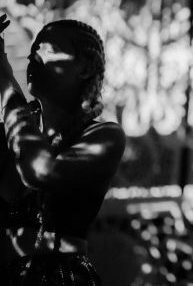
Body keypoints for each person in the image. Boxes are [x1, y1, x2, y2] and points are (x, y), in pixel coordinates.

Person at [0, 17, 126, 285]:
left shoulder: (105, 136)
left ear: (85, 68)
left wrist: (5, 81)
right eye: (33, 49)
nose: (33, 56)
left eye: (48, 49)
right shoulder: (9, 132)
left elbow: (40, 171)